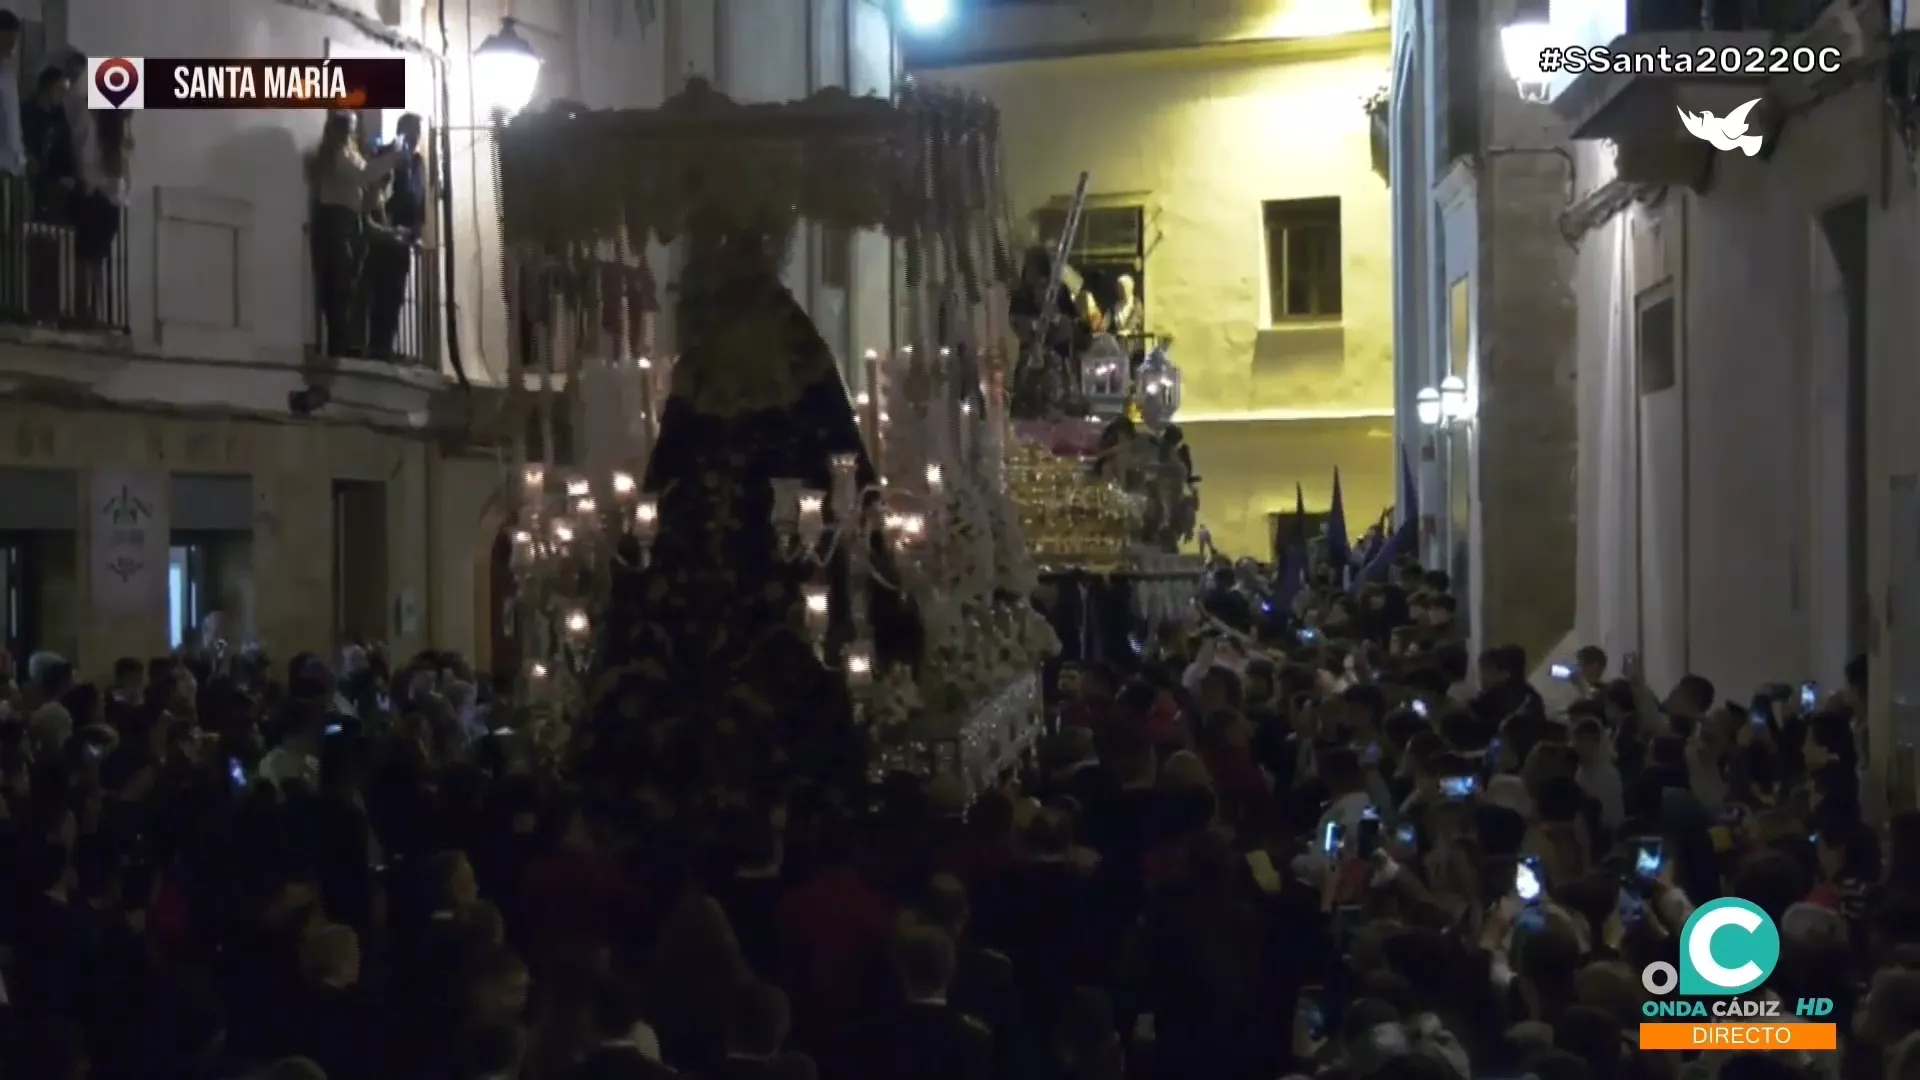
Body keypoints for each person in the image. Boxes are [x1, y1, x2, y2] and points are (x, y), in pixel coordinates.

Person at [306, 110, 407, 358]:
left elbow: (366, 172)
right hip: (335, 221)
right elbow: (363, 174)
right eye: (348, 128)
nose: (352, 133)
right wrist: (393, 156)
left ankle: (343, 340)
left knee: (348, 284)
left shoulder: (349, 153)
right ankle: (337, 343)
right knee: (338, 284)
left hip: (349, 221)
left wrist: (385, 156)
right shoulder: (335, 154)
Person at [364, 112, 425, 360]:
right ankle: (377, 346)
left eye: (418, 132)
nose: (416, 137)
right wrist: (387, 226)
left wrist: (418, 230)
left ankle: (386, 344)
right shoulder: (388, 155)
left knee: (397, 292)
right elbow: (377, 191)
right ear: (402, 131)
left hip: (406, 234)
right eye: (413, 131)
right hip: (387, 232)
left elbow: (419, 197)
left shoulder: (417, 162)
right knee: (384, 291)